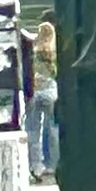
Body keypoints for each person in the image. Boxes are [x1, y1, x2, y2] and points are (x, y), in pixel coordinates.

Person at [26, 19, 59, 178]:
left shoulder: (34, 50)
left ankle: (36, 165)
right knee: (53, 128)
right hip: (51, 91)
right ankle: (54, 164)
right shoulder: (54, 52)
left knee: (33, 130)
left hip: (35, 91)